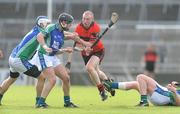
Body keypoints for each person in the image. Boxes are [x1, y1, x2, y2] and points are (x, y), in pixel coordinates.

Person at [35, 12, 92, 108]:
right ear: (63, 22)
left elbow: (56, 51)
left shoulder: (61, 33)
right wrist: (44, 46)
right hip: (43, 55)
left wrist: (76, 48)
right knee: (52, 79)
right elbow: (39, 36)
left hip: (52, 56)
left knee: (66, 78)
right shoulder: (51, 27)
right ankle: (40, 103)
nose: (71, 25)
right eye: (69, 23)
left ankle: (67, 102)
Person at [0, 16, 51, 105]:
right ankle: (39, 102)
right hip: (19, 60)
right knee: (42, 77)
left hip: (13, 57)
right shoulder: (40, 33)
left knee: (11, 79)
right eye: (47, 24)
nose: (48, 26)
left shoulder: (35, 30)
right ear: (42, 24)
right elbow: (53, 34)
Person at [74, 10, 115, 101]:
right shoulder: (78, 28)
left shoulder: (95, 27)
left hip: (98, 51)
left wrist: (83, 43)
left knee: (89, 68)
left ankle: (102, 91)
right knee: (95, 71)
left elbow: (90, 44)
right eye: (84, 19)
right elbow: (76, 46)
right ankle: (109, 83)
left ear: (92, 19)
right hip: (86, 54)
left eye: (88, 19)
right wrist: (84, 48)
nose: (85, 21)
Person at [103, 74, 180, 106]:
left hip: (160, 95)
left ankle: (144, 101)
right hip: (161, 96)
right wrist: (171, 87)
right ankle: (111, 85)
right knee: (136, 84)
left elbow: (178, 103)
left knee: (141, 77)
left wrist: (174, 91)